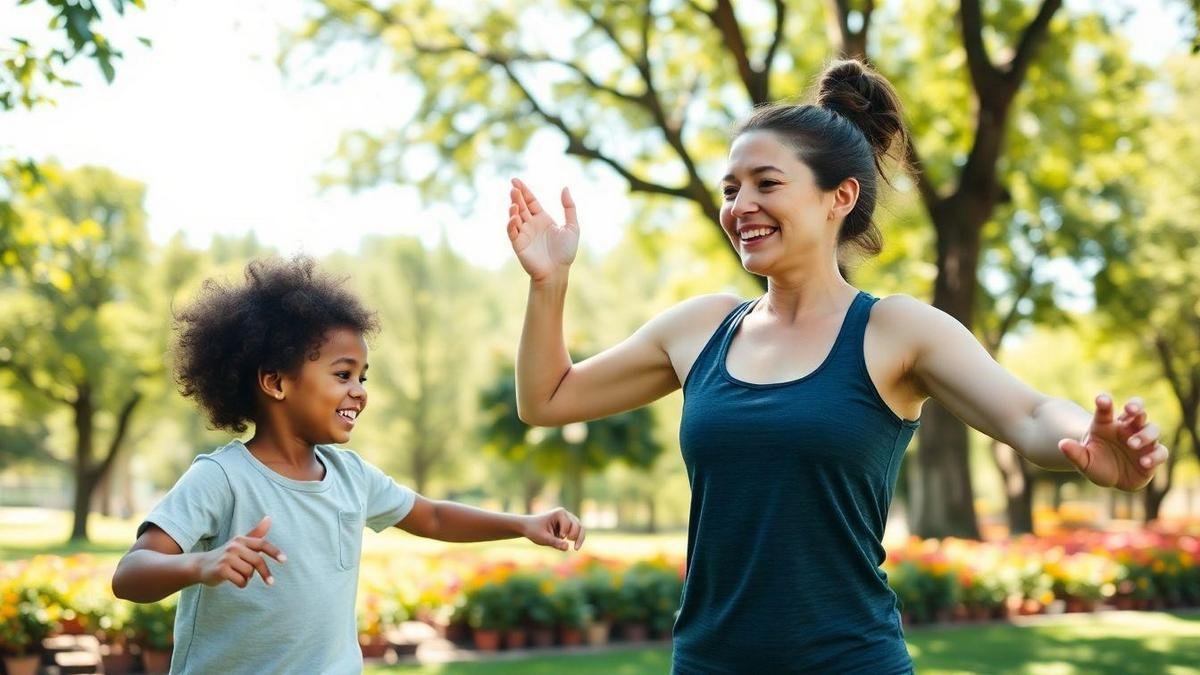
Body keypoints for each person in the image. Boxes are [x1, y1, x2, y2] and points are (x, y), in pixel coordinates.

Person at [504, 59, 1167, 673]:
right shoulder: (700, 327)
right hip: (710, 661)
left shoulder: (894, 330)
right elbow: (547, 399)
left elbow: (1026, 410)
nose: (740, 206)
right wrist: (549, 283)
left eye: (767, 183)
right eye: (731, 188)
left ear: (839, 196)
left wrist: (1085, 433)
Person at [111, 257, 585, 674]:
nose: (359, 390)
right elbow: (130, 574)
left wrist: (523, 524)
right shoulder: (222, 478)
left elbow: (433, 516)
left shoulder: (350, 475)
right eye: (342, 374)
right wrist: (200, 563)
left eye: (362, 377)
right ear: (275, 382)